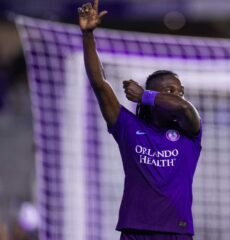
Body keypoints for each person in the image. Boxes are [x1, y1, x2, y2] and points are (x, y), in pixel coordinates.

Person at [78, 1, 202, 239]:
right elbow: (100, 85)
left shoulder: (190, 129)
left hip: (176, 231)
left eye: (178, 90)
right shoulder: (129, 127)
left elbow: (185, 108)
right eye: (168, 90)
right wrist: (88, 36)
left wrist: (146, 95)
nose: (176, 95)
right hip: (135, 230)